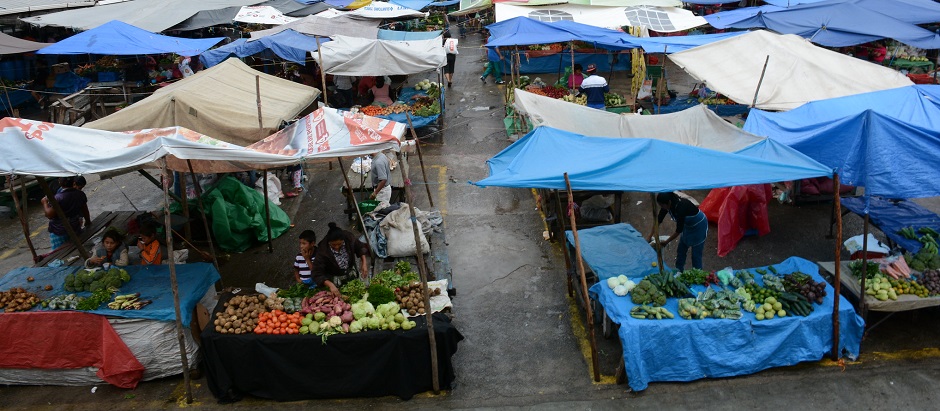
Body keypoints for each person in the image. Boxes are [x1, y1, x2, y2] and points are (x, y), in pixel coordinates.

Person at [647, 192, 708, 272]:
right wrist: (649, 236)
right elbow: (658, 220)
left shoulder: (681, 207)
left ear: (668, 202)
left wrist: (666, 242)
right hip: (688, 226)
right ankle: (679, 270)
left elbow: (678, 230)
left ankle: (698, 272)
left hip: (699, 226)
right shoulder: (667, 206)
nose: (662, 207)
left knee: (696, 255)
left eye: (662, 205)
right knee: (681, 250)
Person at [311, 222, 370, 297]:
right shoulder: (323, 251)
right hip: (335, 281)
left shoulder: (349, 238)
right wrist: (330, 285)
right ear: (329, 242)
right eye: (333, 245)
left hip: (351, 274)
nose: (336, 247)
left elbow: (360, 247)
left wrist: (364, 263)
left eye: (339, 244)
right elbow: (316, 273)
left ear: (343, 240)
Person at [42, 176, 90, 251]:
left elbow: (49, 215)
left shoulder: (58, 198)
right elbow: (85, 210)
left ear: (60, 182)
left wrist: (44, 203)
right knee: (76, 249)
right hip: (75, 226)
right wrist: (88, 220)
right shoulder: (80, 194)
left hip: (60, 230)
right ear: (73, 183)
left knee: (59, 253)